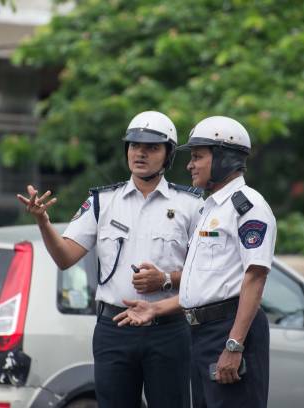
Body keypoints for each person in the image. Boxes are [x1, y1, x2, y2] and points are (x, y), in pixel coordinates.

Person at [16, 111, 203, 408]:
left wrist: (166, 278)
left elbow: (204, 273)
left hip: (168, 329)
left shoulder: (191, 205)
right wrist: (43, 222)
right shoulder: (103, 201)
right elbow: (65, 257)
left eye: (152, 147)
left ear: (168, 155)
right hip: (114, 329)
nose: (140, 152)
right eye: (134, 145)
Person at [114, 116, 277, 408]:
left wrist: (234, 344)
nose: (190, 165)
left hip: (228, 331)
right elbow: (202, 286)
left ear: (225, 158)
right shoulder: (208, 208)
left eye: (198, 157)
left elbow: (255, 278)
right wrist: (155, 307)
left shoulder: (247, 206)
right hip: (201, 333)